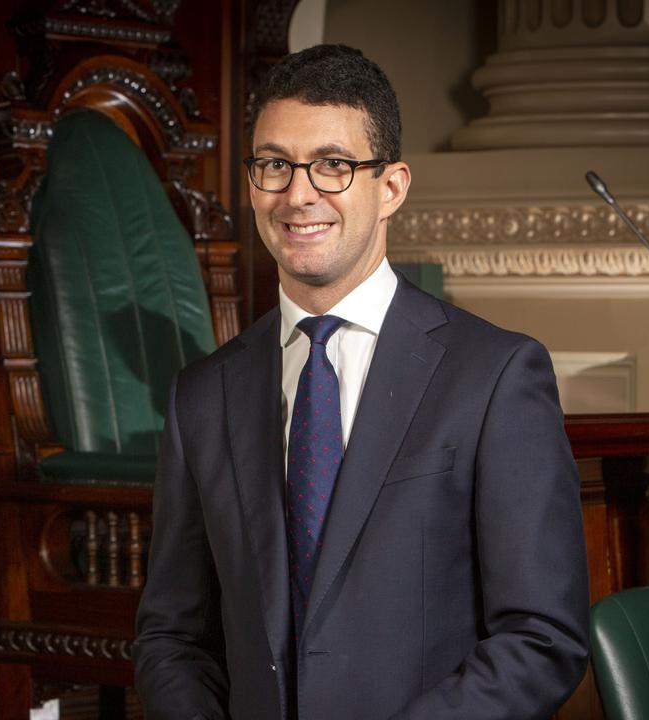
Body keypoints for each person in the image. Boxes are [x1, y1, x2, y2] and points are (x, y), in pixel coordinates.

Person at [133, 44, 589, 720]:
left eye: (333, 166)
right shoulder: (203, 394)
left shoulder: (494, 376)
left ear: (392, 188)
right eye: (274, 165)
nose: (297, 194)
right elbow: (171, 634)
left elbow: (543, 636)